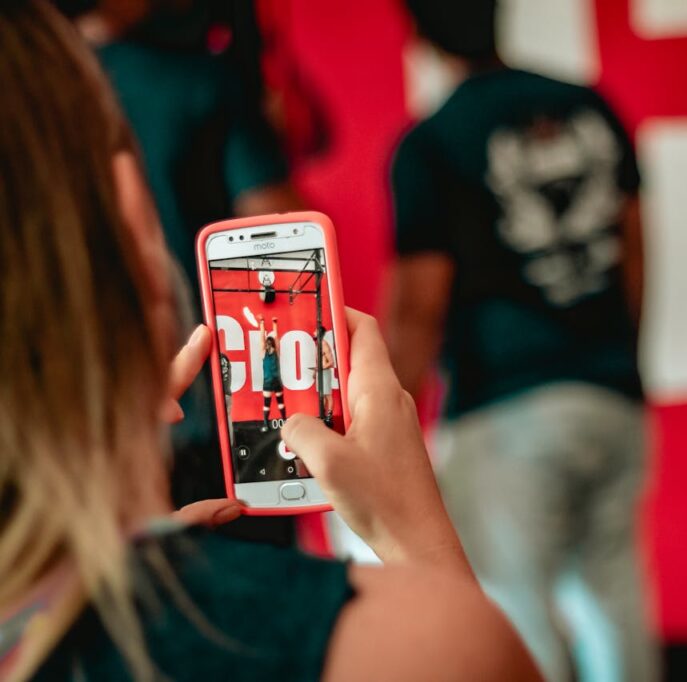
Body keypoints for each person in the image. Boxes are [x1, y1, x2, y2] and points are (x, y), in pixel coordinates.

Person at [0, 3, 541, 680]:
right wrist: (416, 538)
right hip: (231, 434)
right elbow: (273, 235)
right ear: (135, 234)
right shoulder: (413, 644)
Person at [387, 1, 655, 680]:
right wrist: (624, 362)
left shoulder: (433, 141)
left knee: (512, 602)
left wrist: (386, 427)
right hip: (611, 395)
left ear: (416, 31)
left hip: (505, 405)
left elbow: (420, 303)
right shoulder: (588, 106)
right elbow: (633, 249)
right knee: (611, 594)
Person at [60, 0, 306, 507]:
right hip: (217, 411)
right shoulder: (201, 82)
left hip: (83, 430)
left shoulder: (33, 96)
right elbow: (281, 239)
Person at [259, 315, 287, 432]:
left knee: (266, 404)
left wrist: (262, 322)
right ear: (274, 344)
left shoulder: (263, 352)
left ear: (266, 344)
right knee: (280, 402)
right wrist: (274, 323)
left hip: (268, 381)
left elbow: (262, 337)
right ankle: (284, 422)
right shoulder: (277, 352)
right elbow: (276, 338)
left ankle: (266, 425)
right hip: (277, 380)